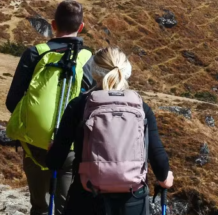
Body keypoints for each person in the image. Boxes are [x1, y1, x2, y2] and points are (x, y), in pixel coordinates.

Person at [45, 47, 174, 214]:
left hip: (87, 198)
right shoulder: (141, 107)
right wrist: (164, 178)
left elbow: (55, 161)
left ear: (93, 71)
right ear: (127, 71)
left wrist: (52, 152)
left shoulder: (79, 105)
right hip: (132, 200)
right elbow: (157, 154)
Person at [5, 0, 94, 215]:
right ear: (80, 27)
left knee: (40, 206)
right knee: (67, 207)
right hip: (71, 148)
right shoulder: (88, 58)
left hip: (34, 144)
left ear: (53, 24)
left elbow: (12, 101)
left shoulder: (35, 53)